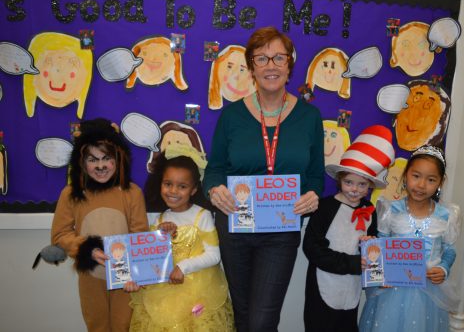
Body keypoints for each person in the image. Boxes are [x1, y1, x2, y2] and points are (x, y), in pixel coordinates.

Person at [203, 26, 324, 331]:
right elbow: (214, 168)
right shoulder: (231, 116)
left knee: (262, 319)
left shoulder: (310, 117)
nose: (271, 65)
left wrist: (312, 194)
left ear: (289, 65)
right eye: (262, 58)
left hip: (280, 232)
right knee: (242, 313)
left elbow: (315, 176)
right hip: (235, 225)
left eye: (278, 58)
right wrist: (215, 189)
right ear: (252, 67)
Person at [51, 118, 149, 332]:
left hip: (125, 279)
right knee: (97, 326)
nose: (101, 166)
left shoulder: (132, 193)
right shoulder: (70, 194)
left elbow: (140, 235)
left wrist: (137, 273)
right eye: (93, 160)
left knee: (125, 325)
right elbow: (59, 235)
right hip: (91, 277)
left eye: (106, 158)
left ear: (118, 158)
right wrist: (86, 248)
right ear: (82, 162)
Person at [125, 151, 234, 331]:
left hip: (198, 292)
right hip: (164, 295)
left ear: (193, 189)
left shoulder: (202, 216)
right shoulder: (159, 220)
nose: (173, 191)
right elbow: (150, 261)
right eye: (168, 184)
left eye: (182, 186)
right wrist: (134, 277)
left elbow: (214, 255)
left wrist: (183, 267)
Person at [303, 125, 396, 332]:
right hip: (323, 284)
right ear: (339, 180)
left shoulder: (369, 211)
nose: (355, 189)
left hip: (351, 287)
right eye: (349, 182)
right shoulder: (324, 208)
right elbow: (311, 248)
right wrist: (351, 262)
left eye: (362, 185)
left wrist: (374, 261)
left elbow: (373, 252)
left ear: (369, 186)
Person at [359, 145, 460, 332]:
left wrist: (443, 268)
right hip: (392, 289)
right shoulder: (389, 210)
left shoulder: (447, 215)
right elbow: (381, 244)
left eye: (431, 180)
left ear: (441, 182)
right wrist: (373, 256)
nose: (421, 185)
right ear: (406, 175)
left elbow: (449, 248)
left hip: (429, 291)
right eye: (416, 176)